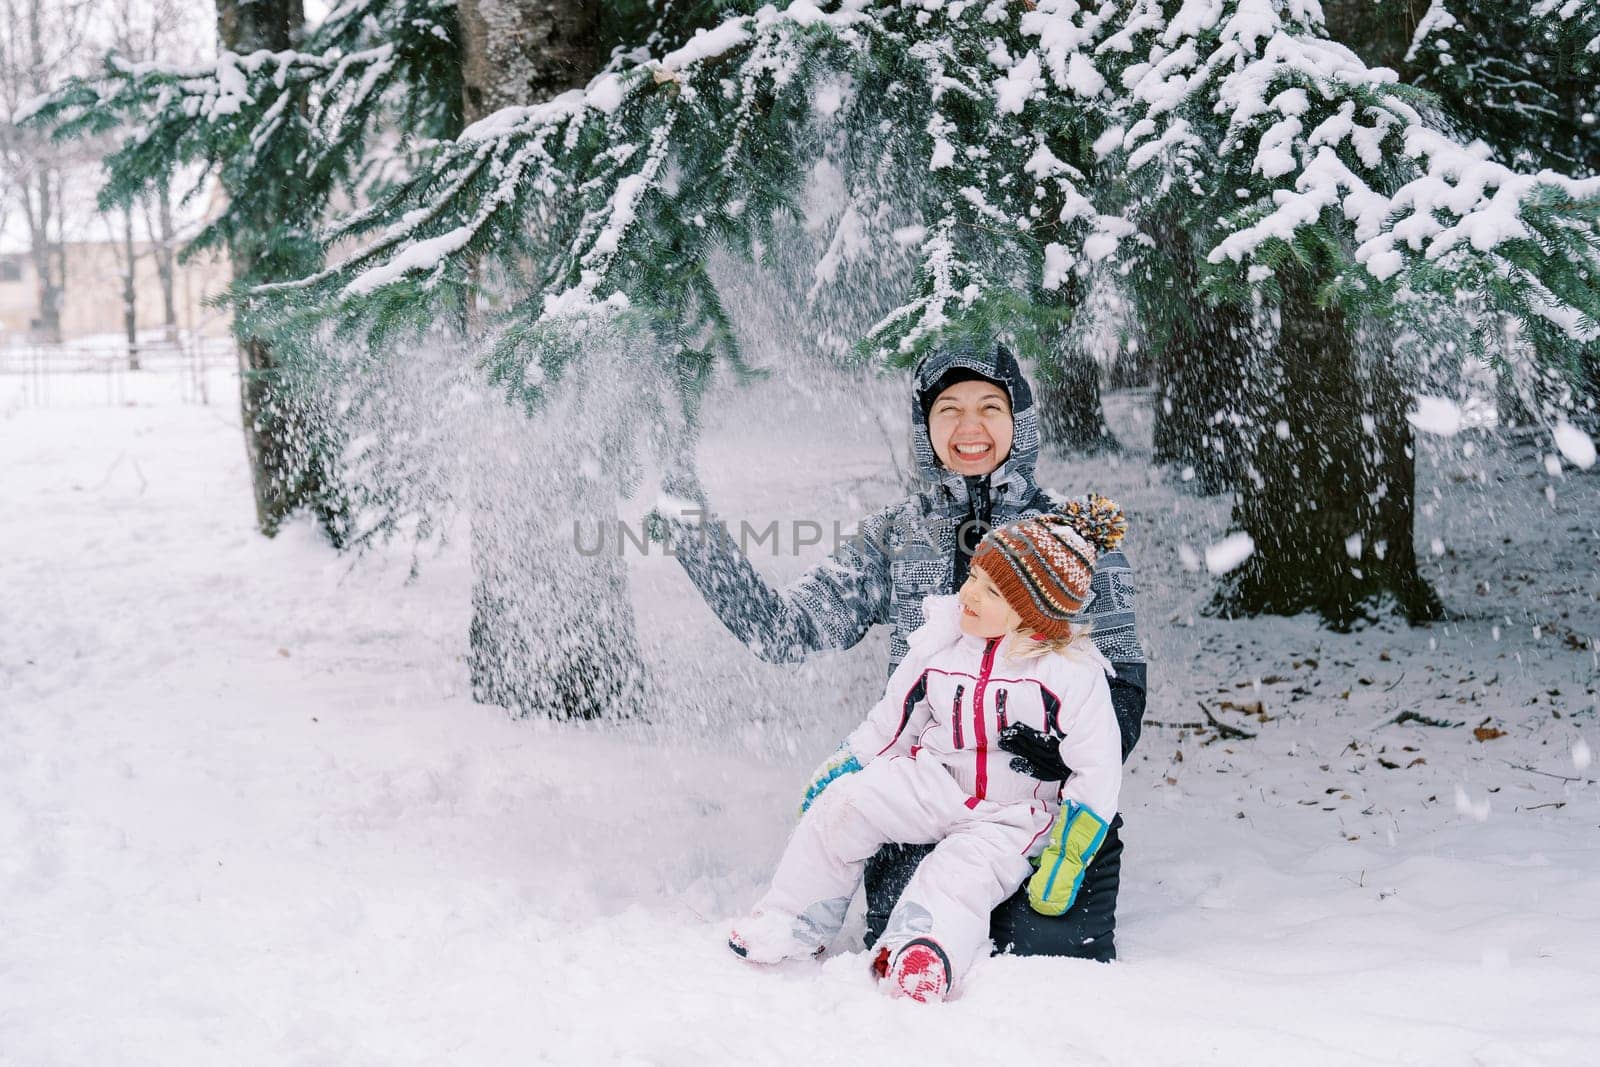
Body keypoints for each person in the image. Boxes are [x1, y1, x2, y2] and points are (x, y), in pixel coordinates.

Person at [654, 341, 1146, 960]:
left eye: (990, 407)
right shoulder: (898, 534)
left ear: (1020, 420)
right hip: (924, 792)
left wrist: (1050, 757)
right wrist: (702, 547)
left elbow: (1124, 677)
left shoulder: (1069, 542)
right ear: (925, 428)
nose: (970, 427)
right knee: (907, 928)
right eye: (948, 410)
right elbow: (785, 630)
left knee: (1038, 950)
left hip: (1038, 809)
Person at [728, 514, 1122, 1002]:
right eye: (974, 576)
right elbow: (893, 721)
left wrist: (1068, 854)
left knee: (958, 880)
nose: (970, 594)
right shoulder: (940, 645)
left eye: (993, 592)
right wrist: (845, 769)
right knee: (846, 807)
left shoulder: (1070, 675)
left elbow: (1097, 769)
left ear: (1032, 611)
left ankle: (922, 950)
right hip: (934, 783)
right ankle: (794, 918)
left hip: (1012, 815)